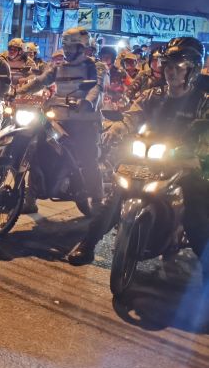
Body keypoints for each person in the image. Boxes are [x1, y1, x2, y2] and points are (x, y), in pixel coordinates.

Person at [68, 37, 209, 270]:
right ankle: (88, 243)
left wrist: (198, 152)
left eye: (178, 68)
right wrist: (115, 129)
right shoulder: (152, 95)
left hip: (187, 164)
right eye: (168, 67)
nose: (170, 73)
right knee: (116, 197)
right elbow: (132, 116)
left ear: (192, 70)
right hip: (149, 158)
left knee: (196, 215)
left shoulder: (203, 102)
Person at [17, 26, 107, 214]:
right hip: (57, 120)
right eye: (65, 47)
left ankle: (98, 200)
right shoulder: (58, 67)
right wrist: (19, 92)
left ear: (82, 47)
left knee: (88, 157)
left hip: (84, 122)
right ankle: (30, 197)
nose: (67, 51)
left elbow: (97, 88)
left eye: (71, 47)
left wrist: (87, 102)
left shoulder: (96, 66)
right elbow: (41, 80)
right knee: (36, 148)